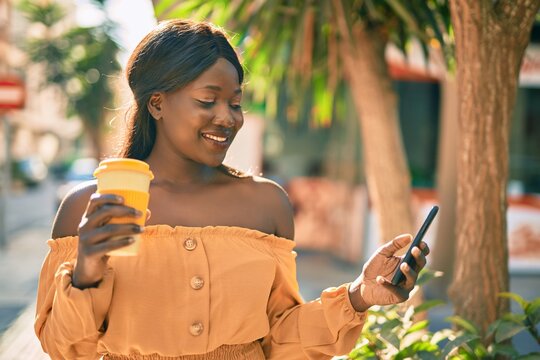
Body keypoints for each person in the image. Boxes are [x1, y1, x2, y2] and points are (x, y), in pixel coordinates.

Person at [35, 20, 430, 360]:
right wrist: (86, 270)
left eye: (236, 103)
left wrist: (359, 295)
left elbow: (281, 341)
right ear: (157, 103)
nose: (227, 118)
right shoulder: (87, 209)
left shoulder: (266, 204)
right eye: (208, 100)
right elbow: (65, 349)